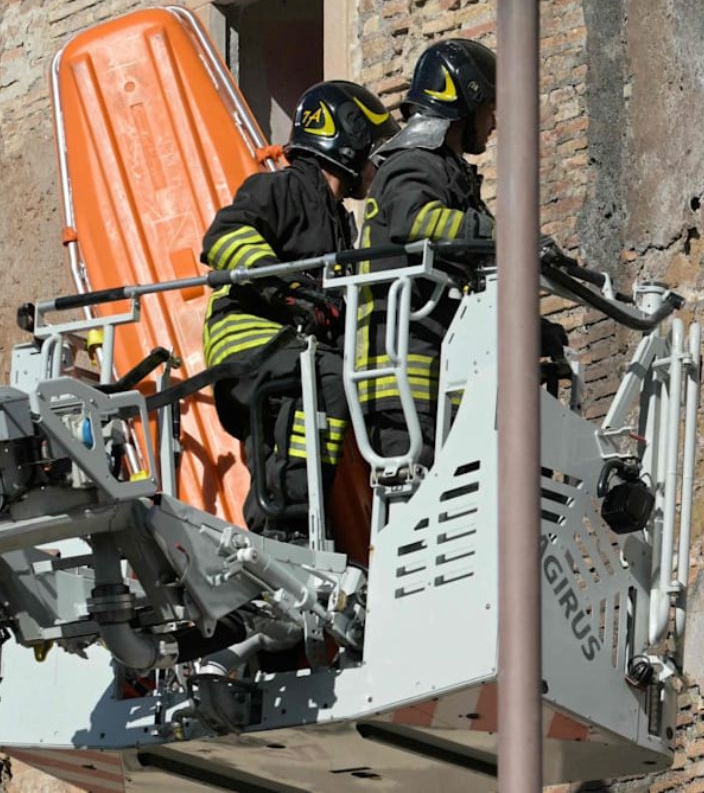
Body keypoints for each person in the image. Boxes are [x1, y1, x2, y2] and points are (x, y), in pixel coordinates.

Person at [200, 81, 398, 537]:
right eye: (375, 148)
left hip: (286, 347)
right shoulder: (281, 189)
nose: (379, 163)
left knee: (288, 431)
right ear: (348, 139)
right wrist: (289, 288)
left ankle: (281, 530)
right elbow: (224, 238)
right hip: (250, 338)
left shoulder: (337, 221)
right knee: (327, 378)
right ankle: (291, 518)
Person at [354, 39, 500, 469]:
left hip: (438, 366)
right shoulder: (413, 163)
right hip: (406, 373)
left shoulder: (447, 171)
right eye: (490, 108)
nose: (494, 123)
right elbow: (413, 221)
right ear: (466, 100)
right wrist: (498, 232)